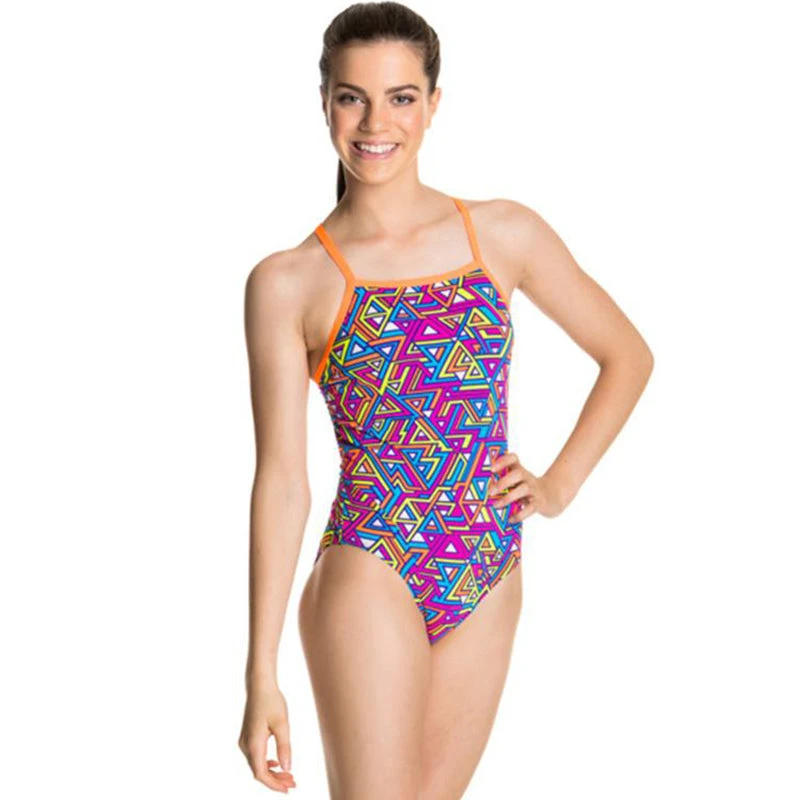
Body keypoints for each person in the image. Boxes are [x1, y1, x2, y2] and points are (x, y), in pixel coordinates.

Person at [239, 2, 654, 797]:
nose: (375, 122)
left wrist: (559, 485)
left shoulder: (502, 233)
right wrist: (261, 673)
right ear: (324, 103)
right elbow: (282, 481)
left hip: (489, 564)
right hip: (372, 561)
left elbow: (627, 356)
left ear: (433, 104)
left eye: (400, 97)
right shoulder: (288, 282)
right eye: (352, 97)